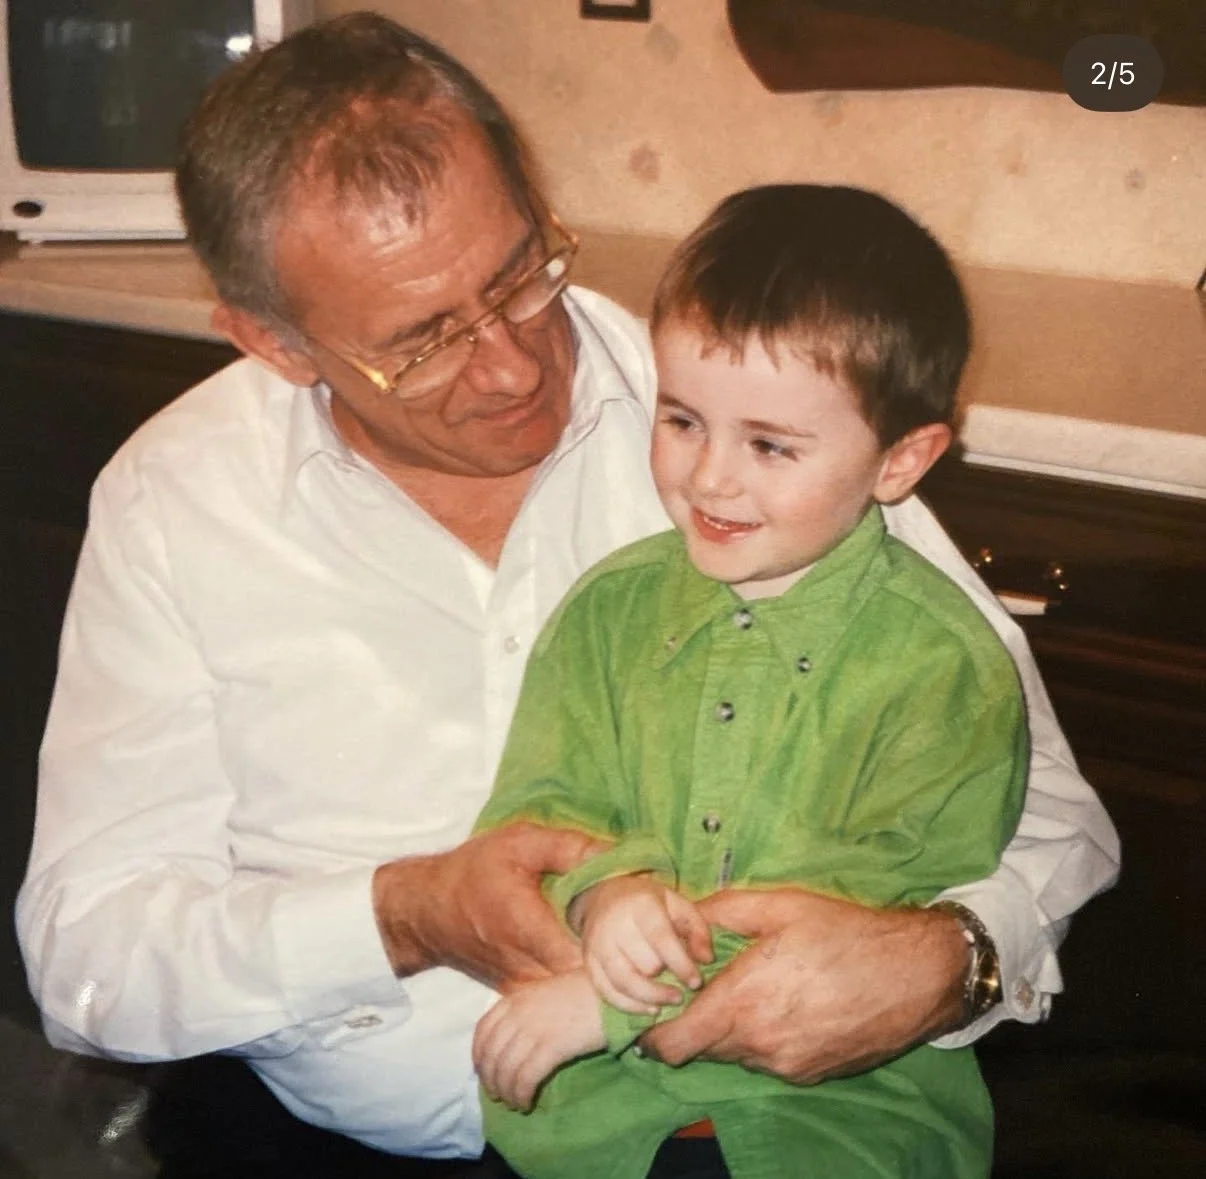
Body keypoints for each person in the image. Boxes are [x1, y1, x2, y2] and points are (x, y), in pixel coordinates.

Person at [15, 12, 1118, 1178]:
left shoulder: (754, 420)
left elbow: (1052, 814)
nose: (511, 365)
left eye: (518, 274)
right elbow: (88, 963)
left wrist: (948, 958)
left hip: (735, 1136)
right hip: (330, 1141)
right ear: (273, 343)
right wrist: (400, 916)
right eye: (422, 340)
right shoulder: (177, 498)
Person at [470, 184, 1028, 1179]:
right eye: (684, 420)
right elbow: (539, 806)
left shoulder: (945, 670)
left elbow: (844, 936)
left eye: (769, 444)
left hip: (830, 1126)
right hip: (592, 1123)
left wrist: (608, 1002)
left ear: (902, 459)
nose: (711, 479)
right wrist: (606, 895)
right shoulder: (604, 616)